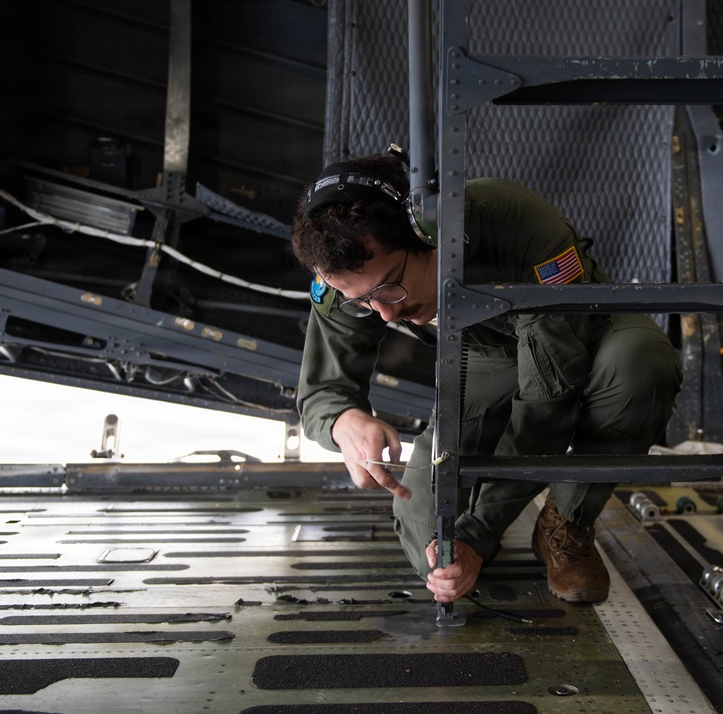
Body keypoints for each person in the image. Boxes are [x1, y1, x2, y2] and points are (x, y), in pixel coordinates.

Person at [291, 154, 682, 605]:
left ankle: (567, 520)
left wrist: (478, 536)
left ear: (429, 237)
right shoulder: (352, 277)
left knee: (640, 365)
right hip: (484, 351)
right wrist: (347, 422)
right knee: (434, 558)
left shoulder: (511, 219)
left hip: (590, 332)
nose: (387, 313)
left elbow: (547, 402)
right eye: (362, 303)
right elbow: (323, 389)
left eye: (389, 290)